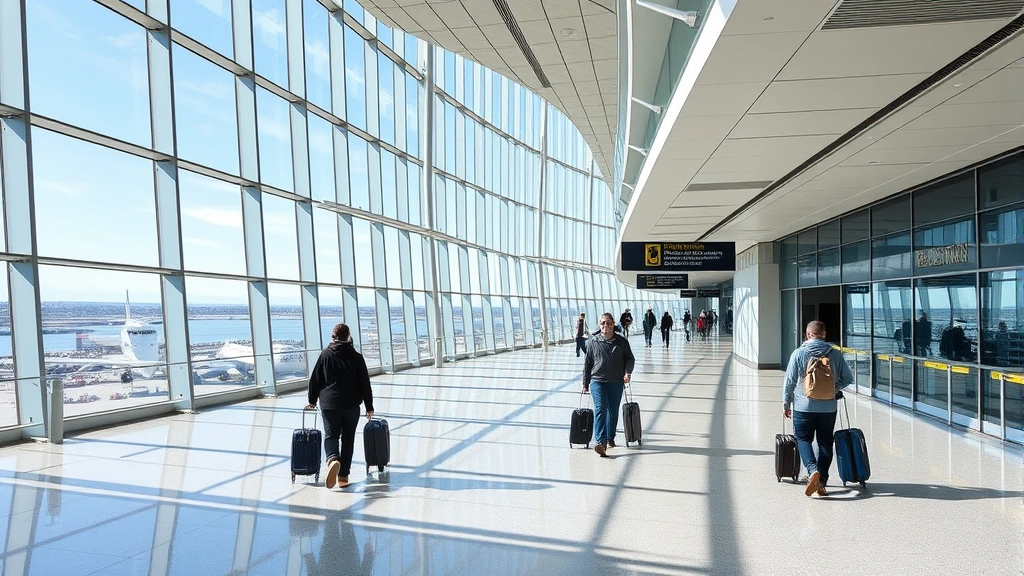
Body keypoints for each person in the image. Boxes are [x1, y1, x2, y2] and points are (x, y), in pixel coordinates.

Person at [783, 320, 854, 497]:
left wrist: (786, 403)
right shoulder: (835, 354)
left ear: (808, 334)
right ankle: (821, 481)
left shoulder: (799, 353)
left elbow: (789, 382)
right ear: (823, 334)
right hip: (828, 407)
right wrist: (833, 389)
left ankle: (812, 469)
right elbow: (848, 378)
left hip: (803, 405)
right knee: (825, 442)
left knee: (803, 439)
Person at [306, 323, 375, 489]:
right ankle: (343, 476)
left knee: (331, 435)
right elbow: (365, 383)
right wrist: (369, 406)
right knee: (348, 439)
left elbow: (315, 379)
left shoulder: (325, 355)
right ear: (348, 336)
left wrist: (312, 400)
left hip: (329, 403)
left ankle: (333, 459)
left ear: (333, 336)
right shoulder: (357, 357)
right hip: (351, 404)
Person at [582, 313, 635, 457]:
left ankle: (610, 437)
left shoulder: (622, 342)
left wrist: (627, 373)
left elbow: (630, 359)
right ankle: (601, 442)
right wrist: (585, 382)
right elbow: (588, 363)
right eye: (603, 323)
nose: (606, 326)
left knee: (612, 411)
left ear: (613, 324)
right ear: (599, 325)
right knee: (600, 408)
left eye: (609, 323)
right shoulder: (593, 341)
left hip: (616, 381)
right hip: (597, 380)